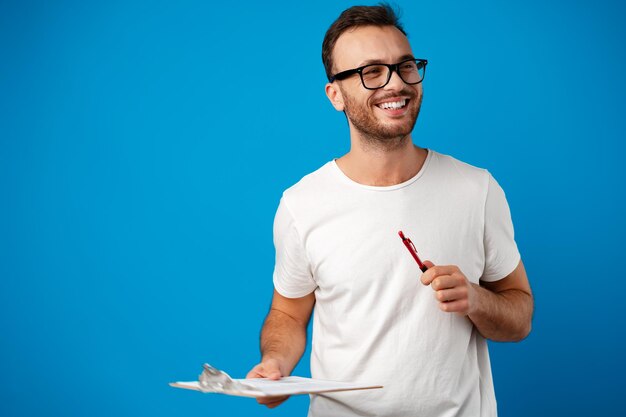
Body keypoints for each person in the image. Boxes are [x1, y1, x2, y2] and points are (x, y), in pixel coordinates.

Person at [247, 4, 533, 416]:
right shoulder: (302, 203)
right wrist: (276, 363)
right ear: (336, 94)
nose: (396, 84)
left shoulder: (477, 189)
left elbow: (519, 317)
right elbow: (288, 313)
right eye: (372, 71)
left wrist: (475, 298)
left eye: (405, 66)